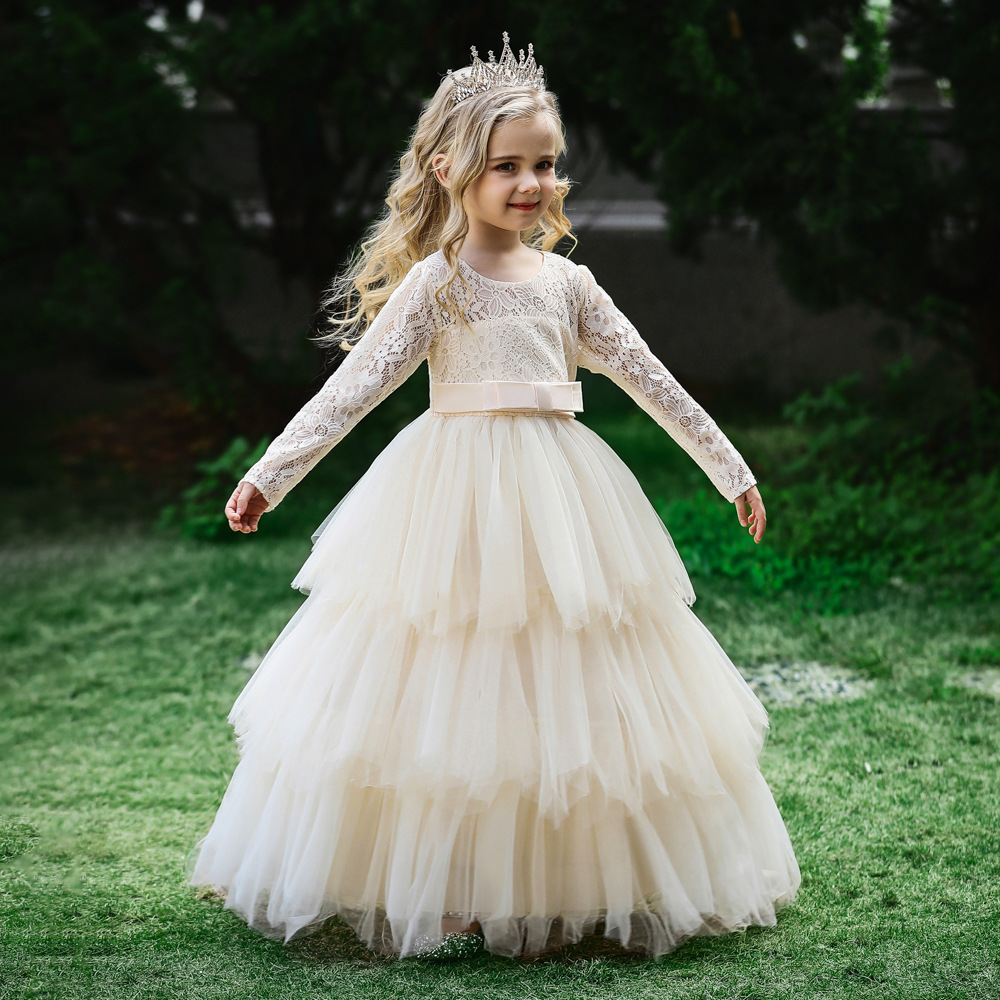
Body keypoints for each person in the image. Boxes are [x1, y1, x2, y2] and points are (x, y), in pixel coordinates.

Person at [188, 33, 801, 961]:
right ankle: (452, 884)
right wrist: (269, 473)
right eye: (506, 165)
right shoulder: (437, 285)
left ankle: (555, 880)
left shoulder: (570, 285)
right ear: (449, 170)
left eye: (545, 165)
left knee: (562, 677)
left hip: (562, 502)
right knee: (450, 679)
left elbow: (653, 381)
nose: (531, 184)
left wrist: (732, 469)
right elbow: (354, 390)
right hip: (450, 500)